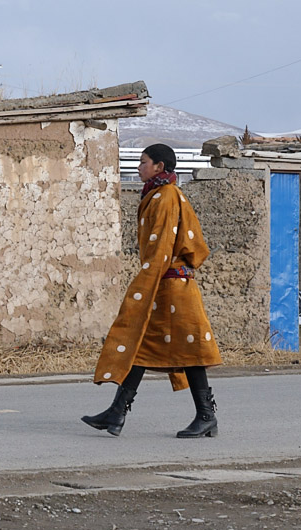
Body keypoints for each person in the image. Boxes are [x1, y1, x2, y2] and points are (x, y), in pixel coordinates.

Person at [81, 143, 222, 438]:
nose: (139, 167)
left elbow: (160, 249)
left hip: (172, 286)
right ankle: (116, 413)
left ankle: (207, 416)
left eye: (143, 162)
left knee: (189, 351)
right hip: (163, 285)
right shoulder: (156, 194)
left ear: (159, 166)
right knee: (141, 346)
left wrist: (143, 283)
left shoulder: (167, 196)